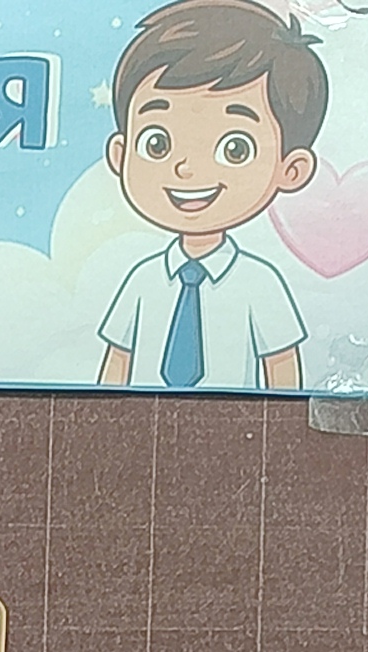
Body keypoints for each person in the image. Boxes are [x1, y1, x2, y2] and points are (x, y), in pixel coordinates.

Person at [94, 1, 326, 391]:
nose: (186, 169)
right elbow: (118, 361)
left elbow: (282, 367)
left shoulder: (261, 283)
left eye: (235, 149)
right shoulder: (142, 280)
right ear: (120, 154)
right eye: (157, 143)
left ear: (291, 169)